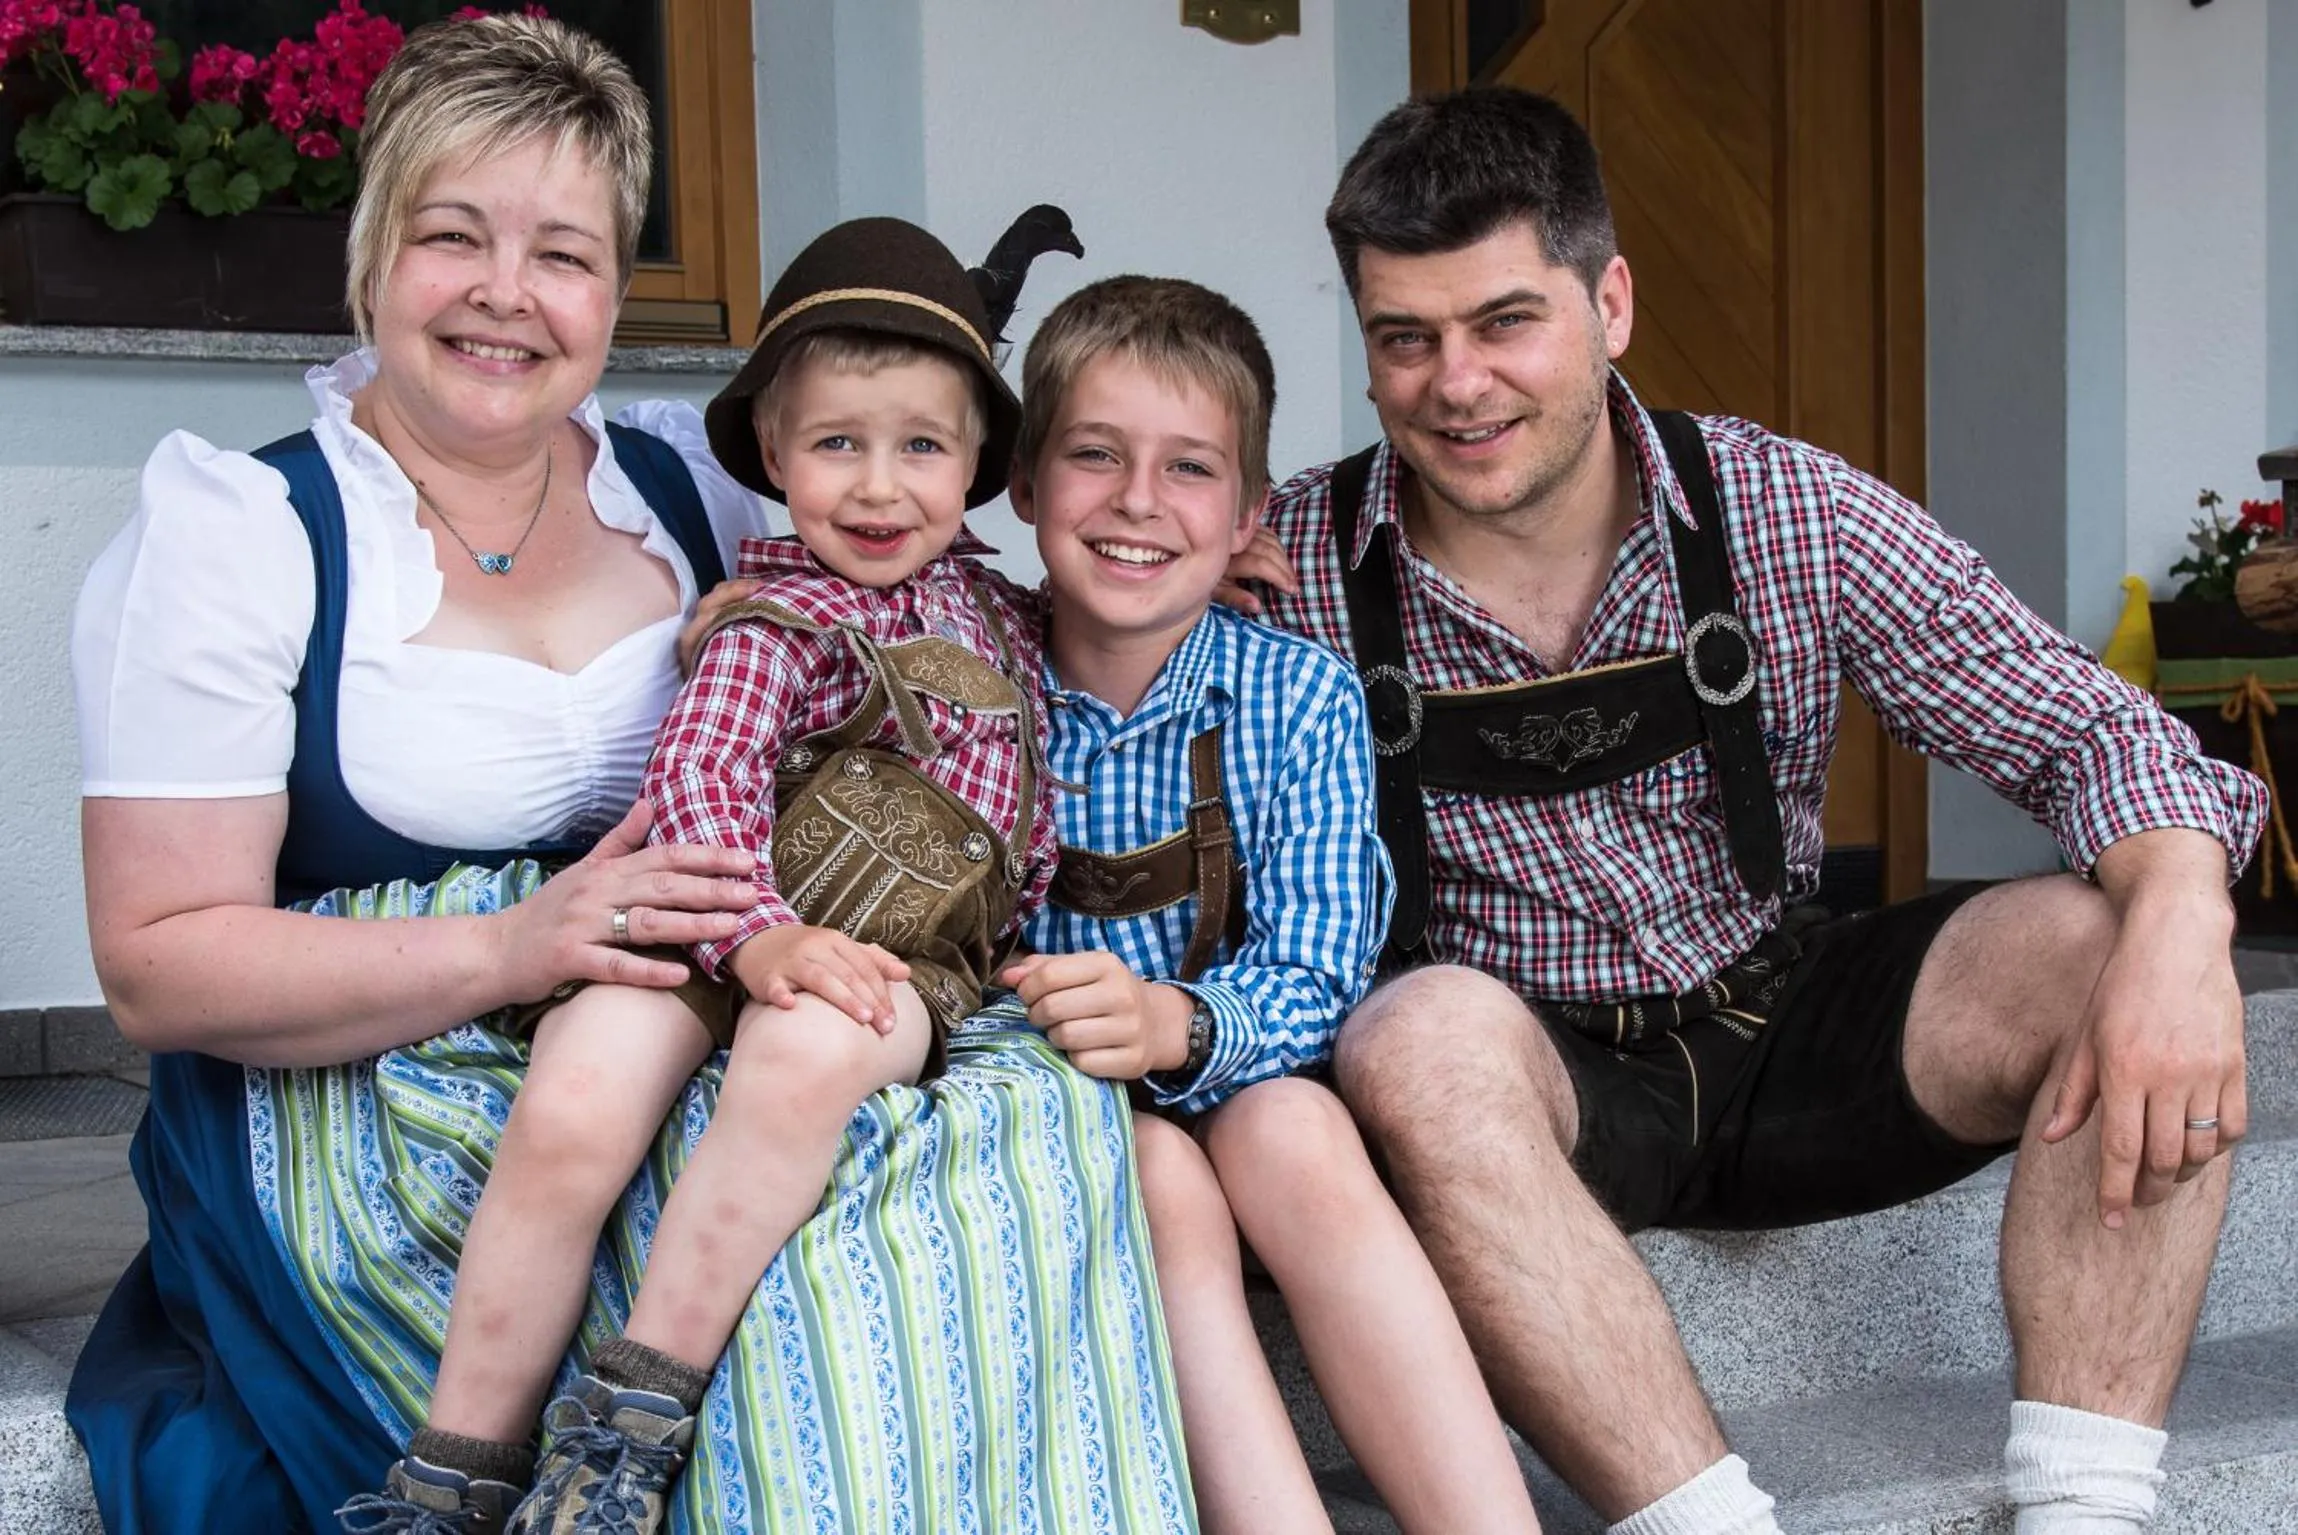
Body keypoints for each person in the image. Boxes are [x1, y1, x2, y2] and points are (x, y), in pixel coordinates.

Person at [67, 16, 1190, 1535]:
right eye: (451, 235)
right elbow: (153, 972)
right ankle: (496, 1470)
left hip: (710, 973)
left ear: (614, 288)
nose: (505, 297)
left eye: (566, 254)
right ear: (369, 252)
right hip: (384, 1055)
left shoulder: (697, 480)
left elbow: (937, 552)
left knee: (1003, 1142)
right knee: (770, 1253)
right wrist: (513, 942)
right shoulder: (244, 529)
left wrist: (1203, 553)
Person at [1238, 87, 2265, 1535]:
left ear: (1611, 302)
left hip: (1782, 1021)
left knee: (2119, 939)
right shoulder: (1286, 562)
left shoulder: (1784, 505)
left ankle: (2085, 1508)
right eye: (1404, 337)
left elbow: (2087, 727)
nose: (1453, 383)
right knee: (1413, 1034)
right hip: (1534, 1089)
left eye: (1502, 321)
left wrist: (2177, 922)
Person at [343, 214, 1066, 1534]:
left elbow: (1083, 672)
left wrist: (1219, 589)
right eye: (836, 442)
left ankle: (634, 1412)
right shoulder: (772, 617)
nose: (879, 485)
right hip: (722, 920)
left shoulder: (1001, 611)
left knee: (807, 1050)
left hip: (904, 956)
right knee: (575, 1089)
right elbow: (702, 782)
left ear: (973, 467)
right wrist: (752, 939)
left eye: (922, 446)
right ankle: (453, 1462)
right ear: (776, 454)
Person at [989, 274, 1541, 1535]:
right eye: (1093, 456)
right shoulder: (971, 665)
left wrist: (1178, 1024)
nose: (1137, 501)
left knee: (1291, 1127)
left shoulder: (1294, 696)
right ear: (1024, 486)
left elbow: (1320, 962)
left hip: (1231, 1068)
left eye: (1189, 470)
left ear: (1247, 514)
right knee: (1155, 1172)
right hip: (1037, 1094)